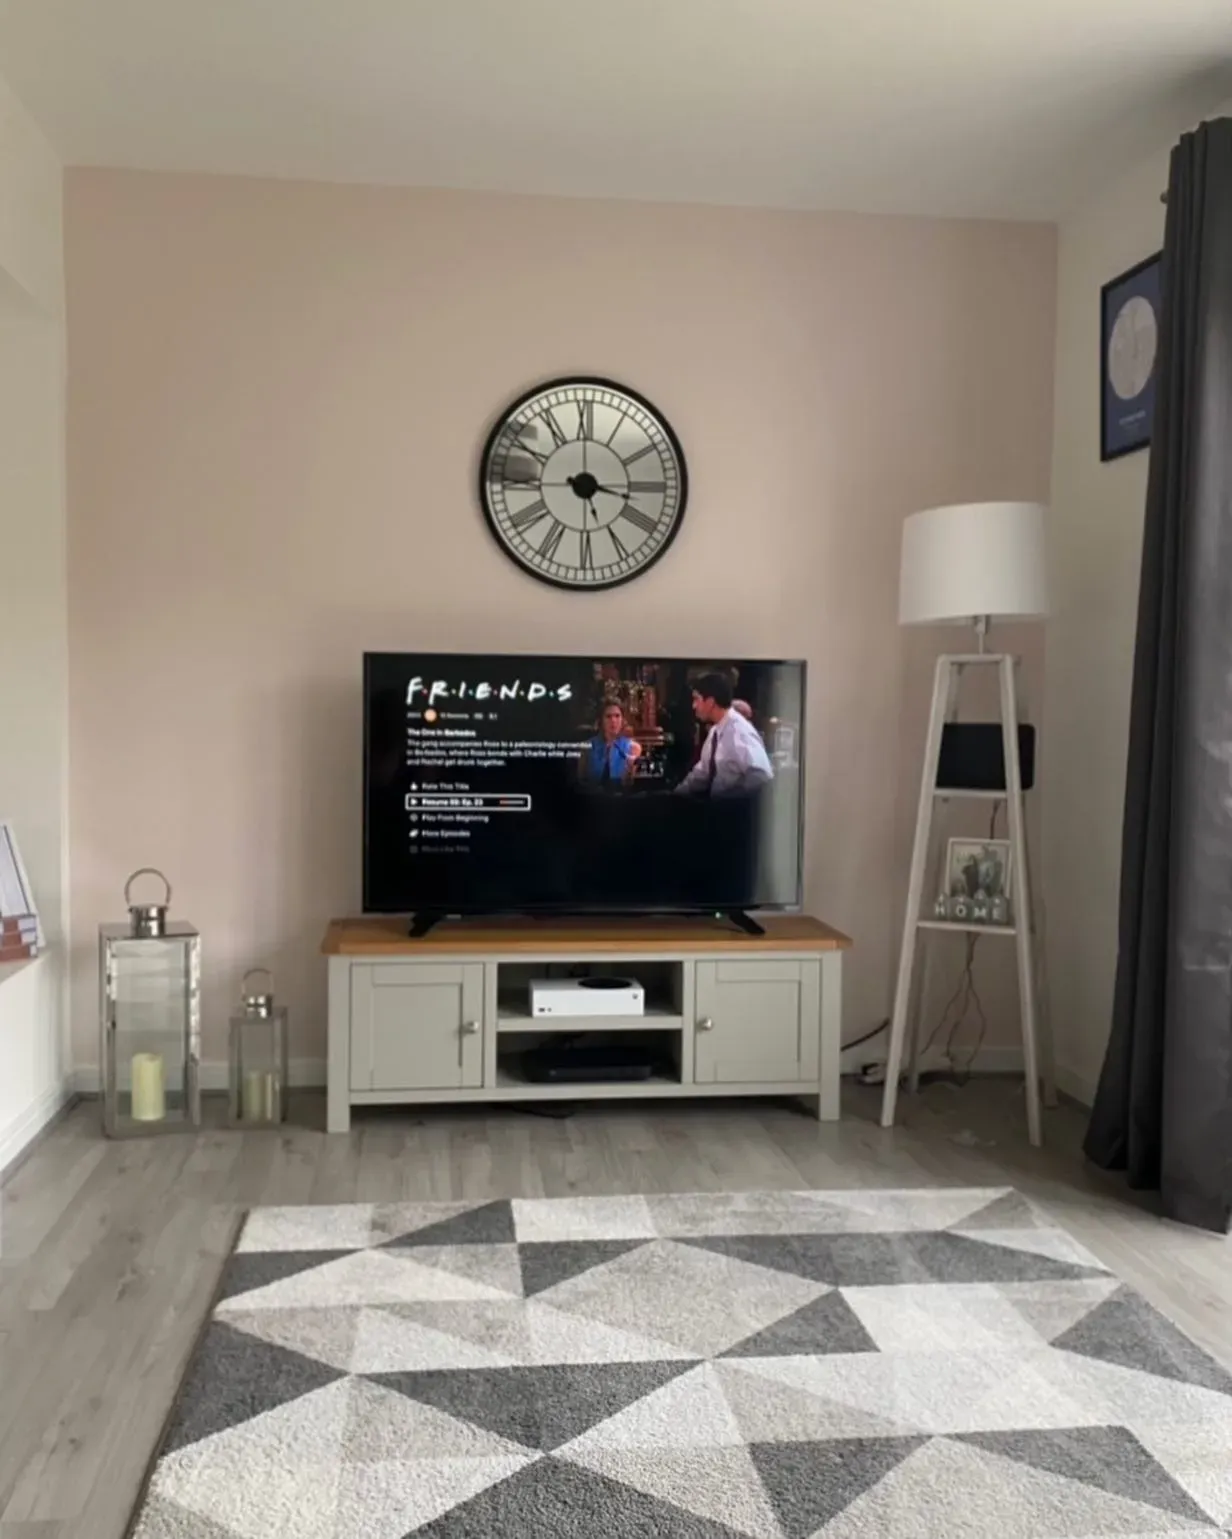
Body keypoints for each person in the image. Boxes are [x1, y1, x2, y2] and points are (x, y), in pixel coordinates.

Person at [676, 673, 774, 796]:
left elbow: (761, 775)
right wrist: (676, 796)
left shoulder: (740, 731)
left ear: (710, 702)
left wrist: (734, 799)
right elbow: (702, 773)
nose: (693, 706)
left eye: (696, 699)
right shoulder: (715, 731)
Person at [580, 700, 643, 786]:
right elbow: (580, 781)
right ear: (601, 720)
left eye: (617, 716)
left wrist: (630, 769)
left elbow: (629, 786)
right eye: (608, 716)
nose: (613, 720)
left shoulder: (633, 748)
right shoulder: (587, 746)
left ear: (623, 719)